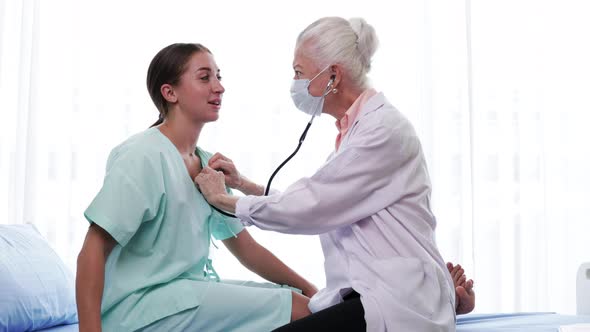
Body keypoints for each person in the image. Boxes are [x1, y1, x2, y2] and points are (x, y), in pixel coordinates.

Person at [195, 16, 474, 331]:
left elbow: (313, 206)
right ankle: (446, 296)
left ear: (332, 76)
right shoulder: (357, 132)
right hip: (374, 291)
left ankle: (444, 298)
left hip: (394, 299)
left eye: (299, 73)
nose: (295, 83)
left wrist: (222, 199)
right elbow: (321, 199)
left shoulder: (380, 131)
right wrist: (243, 185)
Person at [75, 43, 318, 332]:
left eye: (219, 76)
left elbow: (246, 249)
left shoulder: (207, 166)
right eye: (205, 78)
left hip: (182, 300)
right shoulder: (143, 156)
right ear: (170, 92)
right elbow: (93, 249)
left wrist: (311, 289)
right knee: (295, 309)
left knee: (304, 303)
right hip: (139, 310)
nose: (219, 87)